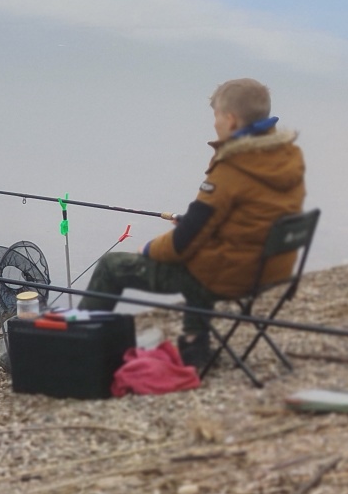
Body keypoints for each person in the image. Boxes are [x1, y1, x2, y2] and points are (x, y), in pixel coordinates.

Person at [82, 79, 307, 368]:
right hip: (272, 268)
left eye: (216, 117)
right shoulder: (287, 156)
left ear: (231, 119)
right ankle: (194, 344)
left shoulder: (233, 167)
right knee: (203, 256)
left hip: (233, 275)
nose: (214, 124)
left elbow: (181, 244)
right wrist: (195, 223)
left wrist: (148, 248)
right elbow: (249, 217)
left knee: (112, 266)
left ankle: (80, 346)